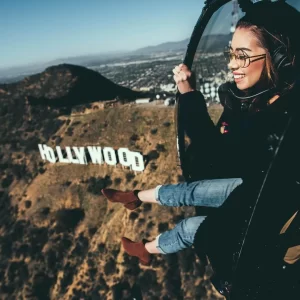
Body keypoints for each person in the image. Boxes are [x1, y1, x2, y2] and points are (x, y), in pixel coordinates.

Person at [102, 2, 300, 267]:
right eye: (230, 53)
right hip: (248, 195)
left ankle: (144, 246)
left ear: (280, 58)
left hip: (260, 223)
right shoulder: (252, 101)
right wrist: (189, 93)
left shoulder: (281, 120)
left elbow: (214, 153)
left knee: (191, 226)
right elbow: (216, 151)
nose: (231, 64)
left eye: (242, 55)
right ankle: (134, 200)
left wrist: (188, 94)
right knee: (191, 192)